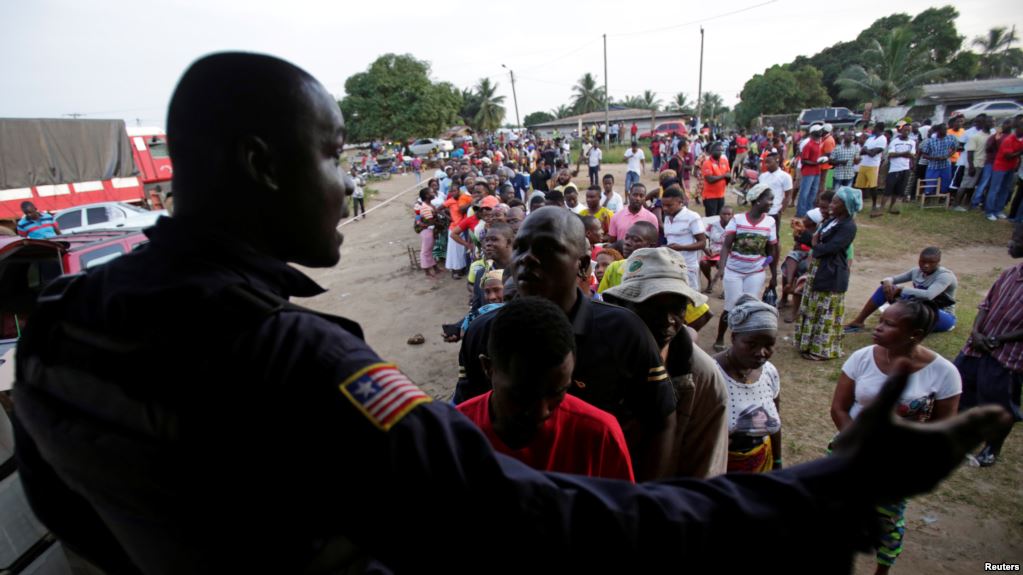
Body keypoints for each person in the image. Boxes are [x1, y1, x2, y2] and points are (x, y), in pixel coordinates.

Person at [13, 51, 1013, 575]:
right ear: (262, 164)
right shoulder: (292, 357)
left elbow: (65, 506)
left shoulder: (63, 323)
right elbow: (520, 518)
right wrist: (826, 490)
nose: (348, 181)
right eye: (332, 151)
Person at [454, 207, 677, 481]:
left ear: (583, 265)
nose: (527, 258)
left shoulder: (623, 332)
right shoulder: (483, 333)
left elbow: (661, 420)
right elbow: (465, 422)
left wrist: (639, 500)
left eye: (547, 249)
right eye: (520, 248)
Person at [831, 300, 962, 574]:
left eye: (889, 324)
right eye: (881, 320)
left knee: (887, 520)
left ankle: (882, 569)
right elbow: (839, 408)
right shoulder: (863, 357)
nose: (877, 328)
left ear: (915, 335)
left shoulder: (944, 373)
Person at [458, 296, 635, 481]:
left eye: (557, 393)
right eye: (523, 395)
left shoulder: (600, 437)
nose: (542, 411)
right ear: (488, 368)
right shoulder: (453, 438)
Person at [602, 248, 728, 478]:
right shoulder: (596, 355)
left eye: (678, 308)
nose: (668, 320)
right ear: (622, 305)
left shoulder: (702, 377)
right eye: (653, 306)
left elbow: (705, 470)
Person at [954, 222, 1023, 466]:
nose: (1010, 243)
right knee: (961, 390)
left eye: (1016, 239)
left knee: (998, 403)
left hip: (1006, 355)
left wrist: (997, 340)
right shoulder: (1009, 274)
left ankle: (992, 448)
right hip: (976, 347)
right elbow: (985, 306)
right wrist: (976, 332)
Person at [713, 294, 782, 473]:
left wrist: (778, 461)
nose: (761, 353)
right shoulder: (711, 375)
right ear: (733, 337)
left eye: (769, 344)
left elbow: (775, 423)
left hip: (760, 464)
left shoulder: (769, 372)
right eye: (751, 344)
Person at [796, 186, 861, 361]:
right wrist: (805, 237)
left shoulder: (848, 227)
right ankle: (808, 344)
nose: (831, 205)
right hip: (820, 268)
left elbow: (831, 248)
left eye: (835, 202)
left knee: (825, 311)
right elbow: (817, 242)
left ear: (846, 205)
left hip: (831, 272)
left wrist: (816, 245)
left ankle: (821, 350)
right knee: (813, 307)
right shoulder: (832, 221)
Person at [713, 183, 779, 352]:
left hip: (755, 272)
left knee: (750, 306)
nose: (771, 203)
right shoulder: (738, 220)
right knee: (730, 306)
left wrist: (772, 273)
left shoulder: (770, 222)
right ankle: (720, 337)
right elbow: (727, 245)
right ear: (757, 200)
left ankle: (743, 340)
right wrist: (722, 267)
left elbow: (772, 250)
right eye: (768, 199)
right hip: (734, 271)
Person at [844, 247, 958, 334]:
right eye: (922, 261)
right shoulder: (916, 271)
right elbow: (892, 279)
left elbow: (929, 295)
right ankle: (859, 321)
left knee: (912, 305)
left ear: (938, 262)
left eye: (931, 263)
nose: (926, 265)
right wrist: (887, 282)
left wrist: (901, 290)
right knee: (885, 289)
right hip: (922, 309)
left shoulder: (944, 276)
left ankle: (896, 326)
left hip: (942, 316)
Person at [661, 185, 706, 291]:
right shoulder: (667, 218)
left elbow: (703, 243)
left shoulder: (692, 217)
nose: (665, 208)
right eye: (663, 205)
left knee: (690, 299)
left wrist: (681, 247)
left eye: (669, 205)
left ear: (680, 202)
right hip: (671, 266)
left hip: (688, 268)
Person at [985, 118, 1023, 222]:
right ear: (1018, 129)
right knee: (995, 189)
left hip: (1011, 167)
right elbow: (1008, 156)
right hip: (1000, 166)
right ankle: (989, 211)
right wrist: (1020, 152)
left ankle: (998, 210)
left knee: (1005, 189)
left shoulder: (1021, 139)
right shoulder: (1009, 140)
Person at [875, 123, 915, 216]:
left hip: (905, 168)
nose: (907, 132)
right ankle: (881, 208)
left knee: (898, 191)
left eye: (908, 130)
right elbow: (891, 154)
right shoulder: (894, 141)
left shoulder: (912, 142)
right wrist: (905, 153)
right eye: (905, 130)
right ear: (901, 131)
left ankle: (891, 207)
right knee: (888, 190)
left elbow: (912, 155)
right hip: (894, 169)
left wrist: (900, 154)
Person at [700, 205, 733, 294]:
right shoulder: (713, 226)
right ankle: (710, 281)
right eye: (724, 214)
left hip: (729, 254)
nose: (726, 216)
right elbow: (703, 238)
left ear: (732, 215)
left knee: (721, 263)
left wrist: (720, 252)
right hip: (713, 253)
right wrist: (707, 250)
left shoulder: (735, 227)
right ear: (719, 214)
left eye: (729, 214)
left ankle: (725, 289)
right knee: (703, 263)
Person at [919, 123, 957, 197]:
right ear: (938, 130)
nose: (946, 131)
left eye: (947, 129)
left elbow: (955, 148)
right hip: (933, 165)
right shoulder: (930, 141)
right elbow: (924, 154)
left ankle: (943, 197)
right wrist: (935, 158)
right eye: (944, 129)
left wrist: (948, 155)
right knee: (930, 182)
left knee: (946, 183)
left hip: (946, 165)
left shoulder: (951, 138)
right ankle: (928, 196)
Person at [758, 152, 793, 229]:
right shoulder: (763, 176)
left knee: (773, 235)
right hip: (761, 210)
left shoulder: (785, 177)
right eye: (765, 162)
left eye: (769, 162)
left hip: (774, 211)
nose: (766, 165)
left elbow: (788, 195)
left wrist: (781, 210)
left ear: (777, 161)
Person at [796, 125, 823, 217]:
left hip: (816, 171)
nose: (821, 133)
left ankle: (809, 210)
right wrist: (815, 163)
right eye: (819, 131)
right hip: (809, 171)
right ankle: (801, 212)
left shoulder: (818, 143)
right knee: (805, 192)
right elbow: (804, 160)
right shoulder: (809, 144)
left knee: (813, 192)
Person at [414, 188, 440, 278]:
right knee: (425, 251)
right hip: (427, 231)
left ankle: (434, 267)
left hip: (429, 230)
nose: (434, 193)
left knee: (429, 250)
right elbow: (431, 221)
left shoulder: (429, 204)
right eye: (432, 192)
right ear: (427, 196)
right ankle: (427, 271)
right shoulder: (425, 207)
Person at [700, 142, 730, 217]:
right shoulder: (707, 163)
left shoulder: (724, 161)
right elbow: (710, 179)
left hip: (721, 195)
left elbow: (727, 174)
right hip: (710, 197)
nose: (720, 152)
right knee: (711, 218)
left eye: (722, 151)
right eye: (718, 150)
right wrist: (723, 176)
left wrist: (729, 179)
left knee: (720, 218)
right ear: (712, 151)